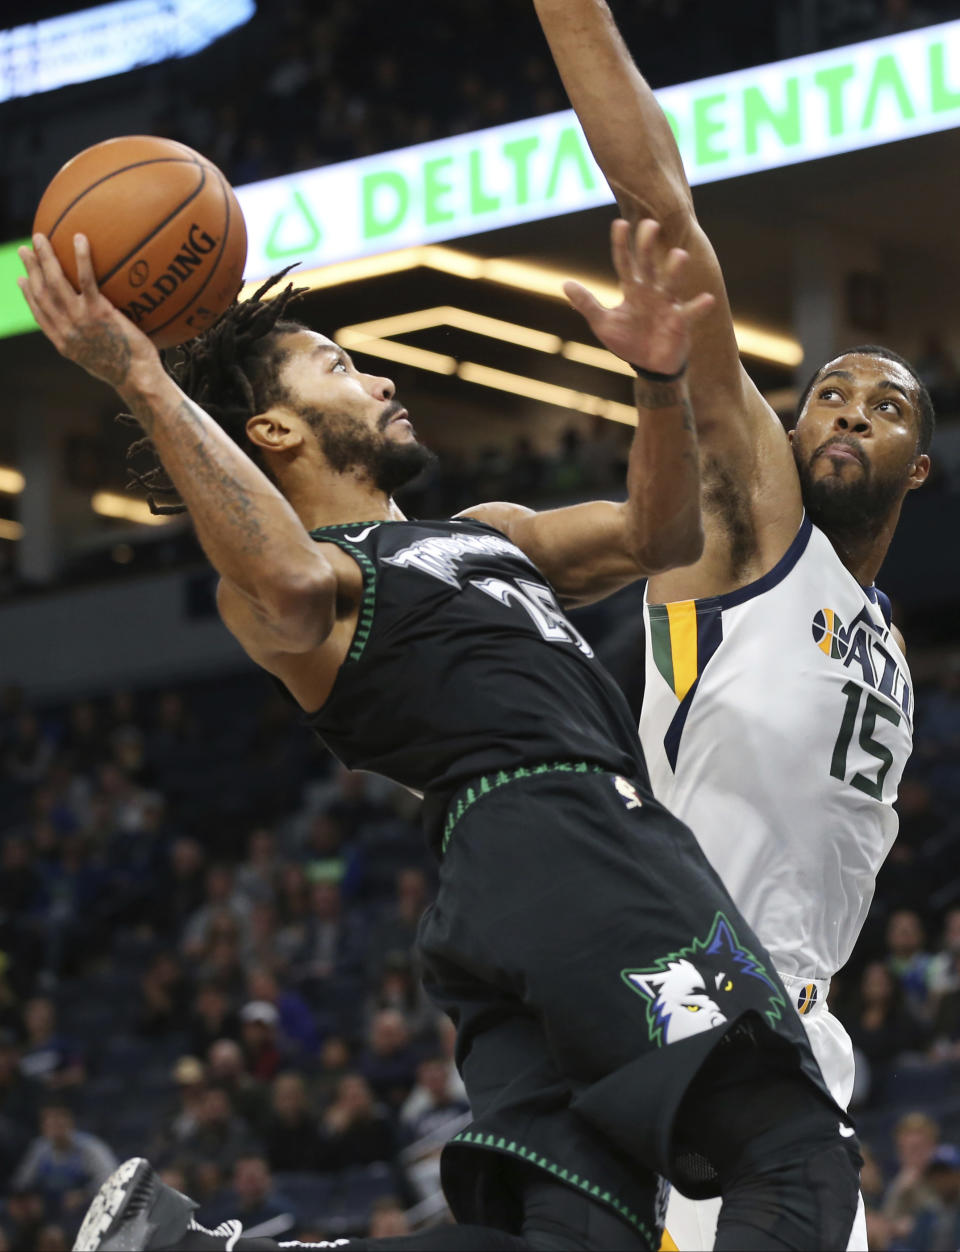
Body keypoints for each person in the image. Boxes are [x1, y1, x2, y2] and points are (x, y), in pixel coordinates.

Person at [20, 220, 858, 1252]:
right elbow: (280, 577)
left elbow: (659, 536)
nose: (379, 384)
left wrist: (654, 380)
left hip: (508, 889)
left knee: (578, 1239)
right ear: (276, 432)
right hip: (571, 836)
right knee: (793, 1151)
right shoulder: (305, 580)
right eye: (340, 367)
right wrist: (145, 378)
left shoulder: (485, 531)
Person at [530, 1, 934, 1246]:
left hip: (802, 1046)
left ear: (922, 463)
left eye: (889, 404)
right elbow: (666, 212)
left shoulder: (888, 636)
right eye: (828, 394)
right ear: (792, 426)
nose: (851, 412)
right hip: (693, 1018)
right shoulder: (757, 533)